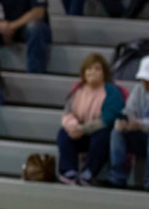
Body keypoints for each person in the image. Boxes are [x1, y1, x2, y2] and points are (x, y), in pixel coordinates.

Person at [56, 53, 124, 185]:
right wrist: (73, 126)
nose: (92, 72)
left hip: (98, 134)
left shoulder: (112, 91)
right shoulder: (78, 90)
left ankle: (89, 173)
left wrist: (83, 129)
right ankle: (68, 171)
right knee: (63, 133)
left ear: (104, 73)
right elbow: (68, 113)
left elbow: (108, 119)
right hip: (80, 133)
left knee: (104, 134)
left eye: (97, 68)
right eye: (88, 68)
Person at [106, 56, 149, 189]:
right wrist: (125, 121)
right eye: (144, 80)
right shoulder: (138, 89)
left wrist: (141, 124)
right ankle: (117, 178)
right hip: (140, 136)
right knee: (117, 131)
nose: (145, 83)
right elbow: (129, 110)